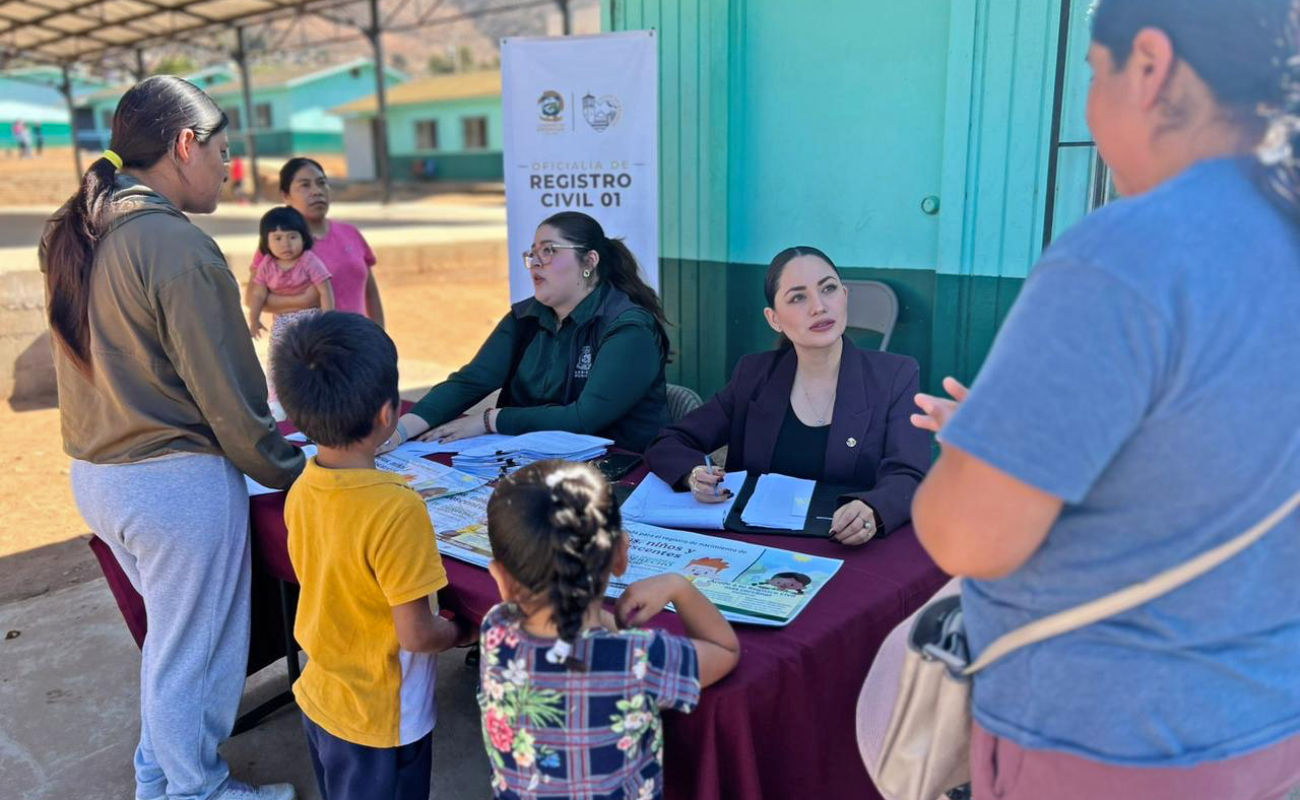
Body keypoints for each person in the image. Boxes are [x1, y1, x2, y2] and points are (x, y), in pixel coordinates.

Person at [909, 2, 1300, 798]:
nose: (1091, 98)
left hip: (1106, 744)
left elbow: (967, 537)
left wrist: (970, 454)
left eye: (1093, 73)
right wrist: (1013, 441)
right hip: (1265, 728)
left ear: (1149, 66)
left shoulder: (1127, 254)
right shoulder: (1278, 230)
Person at [40, 76, 303, 800]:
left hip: (102, 473)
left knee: (172, 647)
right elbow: (234, 404)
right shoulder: (175, 247)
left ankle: (159, 776)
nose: (227, 166)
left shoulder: (82, 225)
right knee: (194, 655)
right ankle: (196, 790)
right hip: (171, 483)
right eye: (221, 150)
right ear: (185, 145)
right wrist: (299, 473)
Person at [273, 312, 475, 800]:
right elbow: (418, 633)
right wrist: (463, 632)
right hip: (381, 719)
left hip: (322, 693)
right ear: (388, 415)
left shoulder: (304, 484)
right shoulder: (396, 508)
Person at [478, 459, 740, 799]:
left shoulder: (495, 628)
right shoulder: (639, 660)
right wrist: (679, 585)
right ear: (620, 555)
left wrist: (604, 618)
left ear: (499, 578)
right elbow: (726, 650)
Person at [644, 247, 930, 545]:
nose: (819, 307)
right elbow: (670, 441)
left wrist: (873, 509)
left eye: (828, 289)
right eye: (798, 297)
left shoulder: (895, 376)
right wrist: (693, 475)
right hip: (752, 545)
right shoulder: (753, 374)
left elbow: (909, 474)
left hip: (846, 544)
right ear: (774, 318)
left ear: (844, 297)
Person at [382, 211, 670, 453]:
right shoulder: (525, 316)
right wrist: (399, 432)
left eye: (549, 251)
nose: (535, 261)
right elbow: (471, 382)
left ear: (589, 261)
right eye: (532, 253)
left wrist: (491, 420)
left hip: (621, 468)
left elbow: (584, 418)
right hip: (532, 457)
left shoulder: (629, 328)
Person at [264, 157, 384, 324]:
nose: (316, 191)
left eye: (321, 183)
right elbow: (260, 299)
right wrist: (305, 300)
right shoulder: (277, 244)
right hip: (306, 347)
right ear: (286, 196)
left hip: (359, 343)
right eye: (305, 185)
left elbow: (370, 293)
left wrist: (380, 339)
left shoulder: (351, 233)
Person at [246, 206, 334, 342]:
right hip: (282, 321)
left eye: (292, 237)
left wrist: (329, 321)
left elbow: (325, 291)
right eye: (278, 238)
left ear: (304, 239)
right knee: (282, 355)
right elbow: (258, 294)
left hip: (311, 318)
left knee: (313, 353)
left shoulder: (308, 260)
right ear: (267, 243)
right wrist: (254, 320)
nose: (286, 244)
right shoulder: (267, 264)